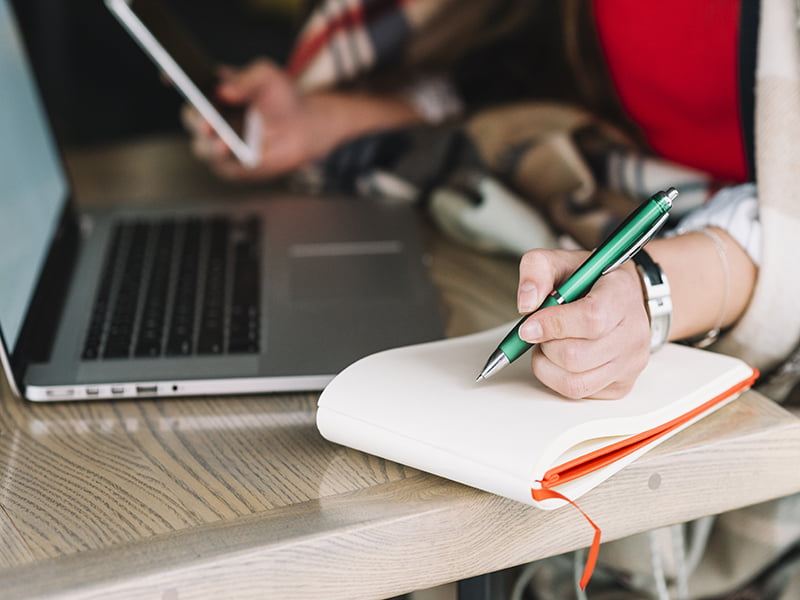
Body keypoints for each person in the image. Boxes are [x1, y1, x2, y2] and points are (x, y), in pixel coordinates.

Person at [183, 1, 800, 597]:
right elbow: (500, 76)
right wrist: (323, 120)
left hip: (736, 264)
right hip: (601, 196)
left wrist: (652, 290)